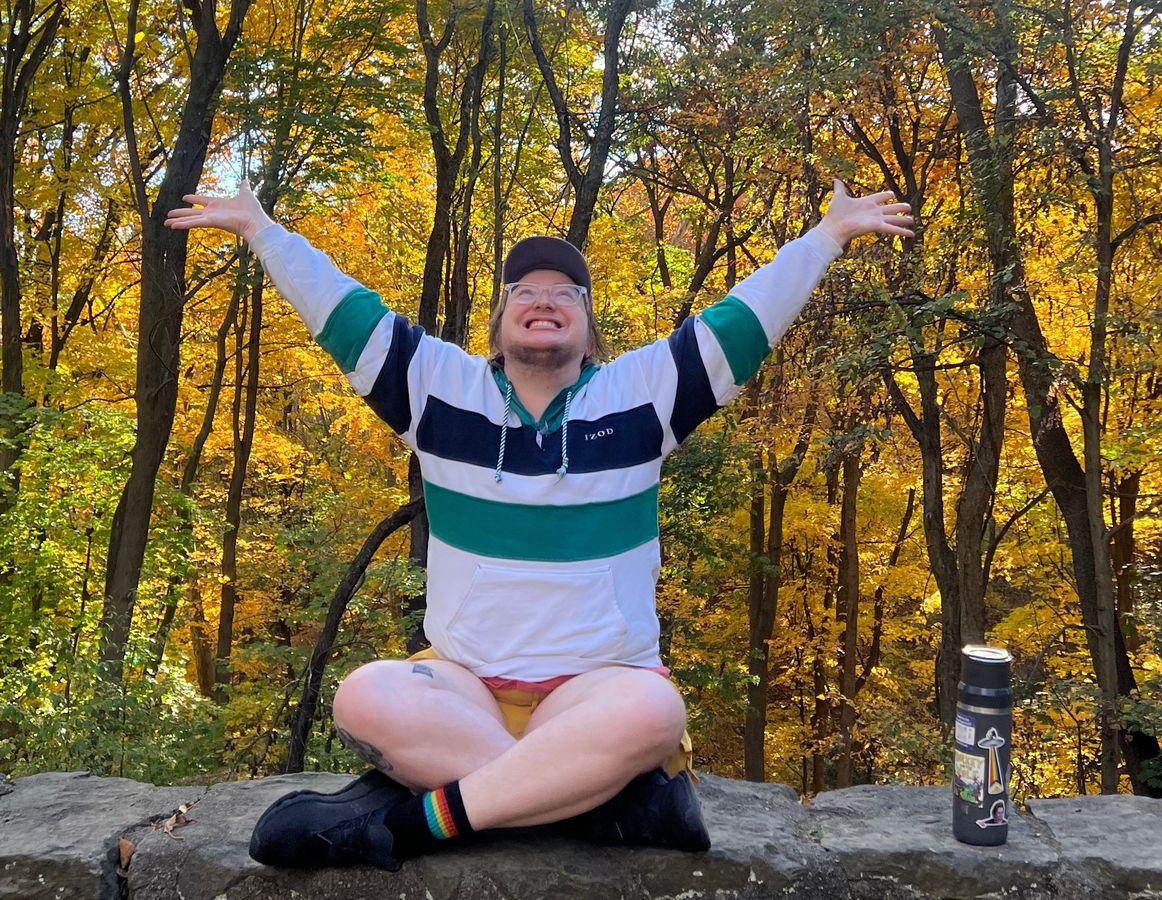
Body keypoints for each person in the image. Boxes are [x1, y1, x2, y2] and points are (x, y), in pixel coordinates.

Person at [166, 178, 913, 870]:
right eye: (524, 290)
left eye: (565, 294)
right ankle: (599, 803)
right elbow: (343, 310)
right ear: (499, 322)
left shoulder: (643, 396)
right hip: (465, 686)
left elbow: (744, 321)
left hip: (596, 691)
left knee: (654, 711)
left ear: (588, 329)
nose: (544, 300)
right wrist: (263, 232)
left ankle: (408, 825)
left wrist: (826, 237)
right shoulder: (438, 389)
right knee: (363, 697)